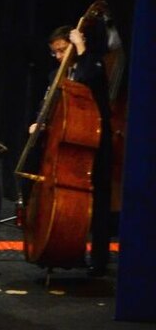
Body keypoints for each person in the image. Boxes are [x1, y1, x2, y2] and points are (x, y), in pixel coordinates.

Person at [44, 20, 113, 276]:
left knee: (99, 202)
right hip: (67, 143)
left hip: (94, 142)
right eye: (55, 52)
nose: (59, 56)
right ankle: (64, 249)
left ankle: (99, 258)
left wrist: (81, 47)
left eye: (63, 50)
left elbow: (87, 79)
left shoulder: (92, 65)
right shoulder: (55, 75)